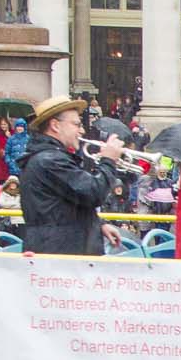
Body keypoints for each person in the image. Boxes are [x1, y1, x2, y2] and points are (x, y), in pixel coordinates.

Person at [19, 94, 125, 256]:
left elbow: (71, 203)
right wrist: (109, 161)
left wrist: (98, 224)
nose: (81, 130)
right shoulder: (51, 160)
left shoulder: (50, 157)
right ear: (55, 125)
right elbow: (93, 193)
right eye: (76, 124)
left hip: (61, 248)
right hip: (60, 253)